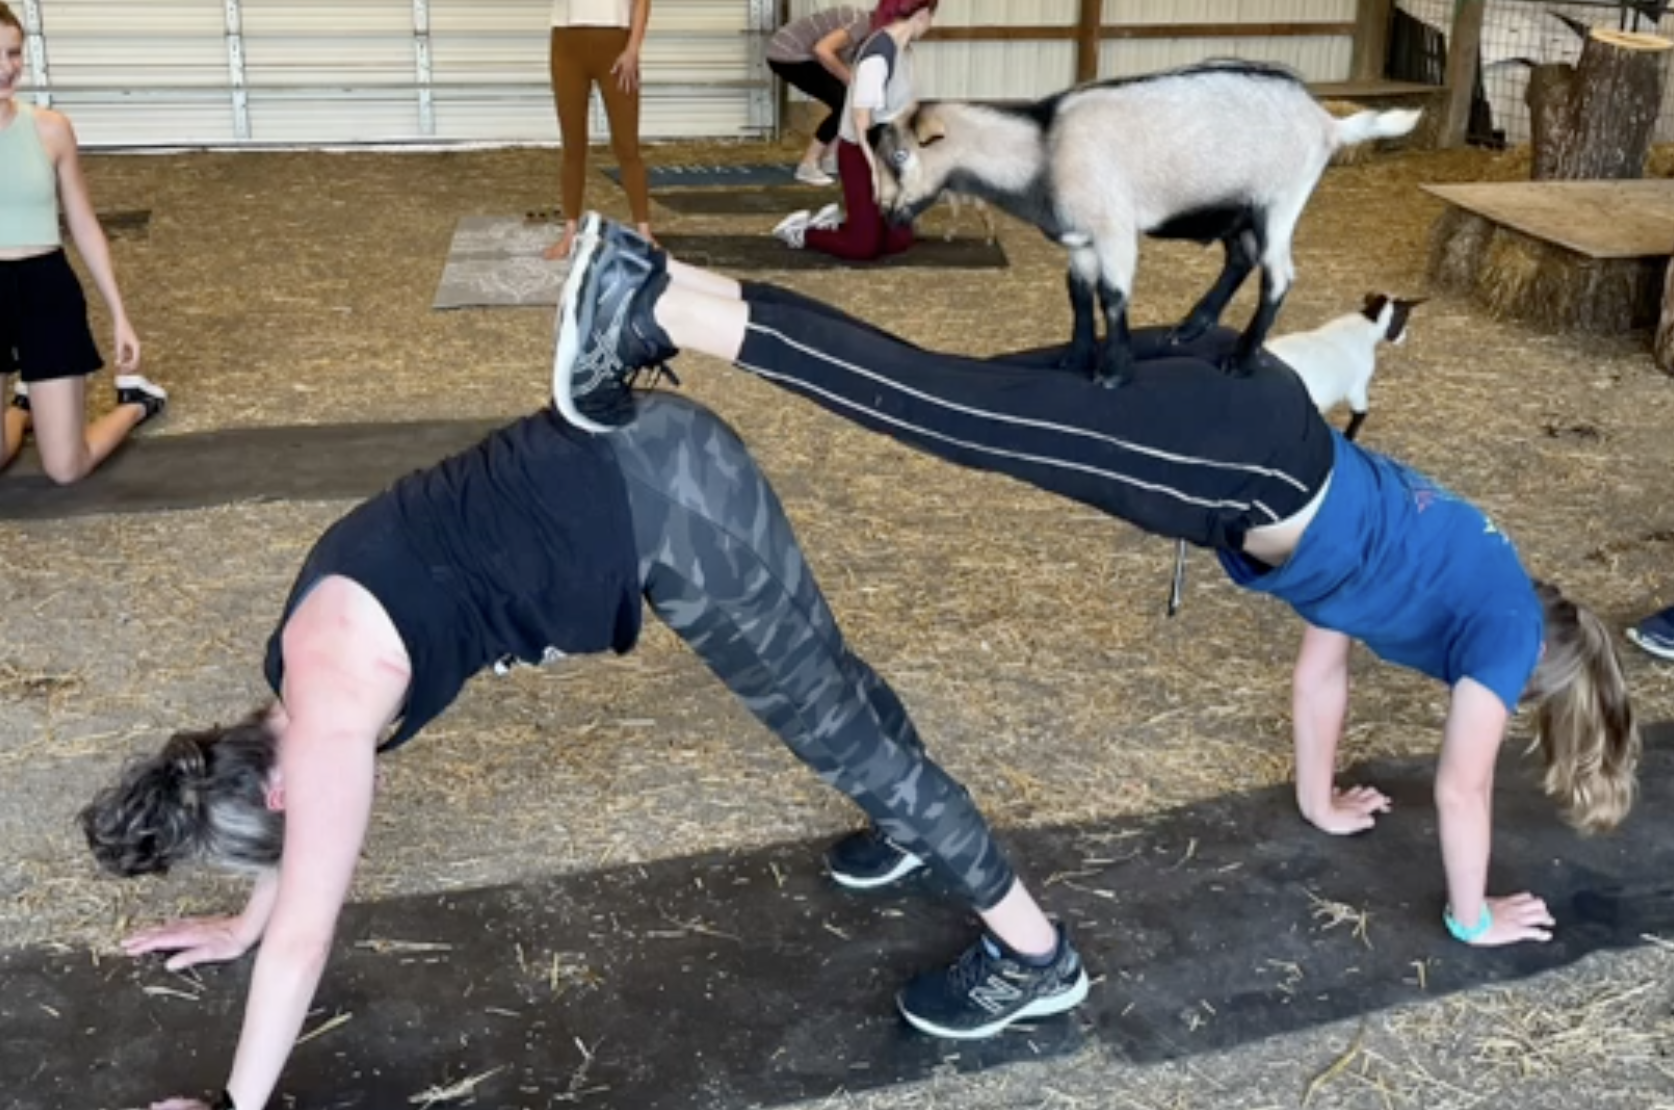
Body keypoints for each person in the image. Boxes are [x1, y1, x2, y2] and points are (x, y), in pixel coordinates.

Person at [555, 212, 1644, 952]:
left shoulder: (1476, 565)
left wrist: (1318, 800)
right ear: (1541, 686)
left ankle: (656, 280)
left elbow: (1325, 672)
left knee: (950, 387)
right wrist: (1470, 917)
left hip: (1248, 404)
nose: (1497, 716)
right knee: (942, 409)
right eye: (1518, 714)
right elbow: (1461, 788)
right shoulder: (1499, 635)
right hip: (1239, 454)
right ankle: (653, 313)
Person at [79, 369, 1091, 1109]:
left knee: (831, 724)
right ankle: (910, 826)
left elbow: (310, 933)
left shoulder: (335, 711)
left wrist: (236, 1107)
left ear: (278, 793)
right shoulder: (293, 677)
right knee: (819, 674)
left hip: (673, 504)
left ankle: (1037, 956)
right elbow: (297, 858)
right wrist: (240, 926)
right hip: (639, 450)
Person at [0, 1, 166, 485]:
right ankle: (25, 406)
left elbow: (84, 224)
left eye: (13, 54)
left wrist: (119, 315)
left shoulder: (50, 129)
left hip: (44, 287)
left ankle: (136, 403)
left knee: (65, 469)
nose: (7, 68)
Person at [771, 0, 936, 258]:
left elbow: (906, 108)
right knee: (863, 248)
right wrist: (875, 172)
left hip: (888, 148)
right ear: (923, 14)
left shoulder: (906, 51)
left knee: (898, 242)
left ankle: (840, 223)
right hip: (861, 150)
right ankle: (802, 231)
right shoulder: (878, 54)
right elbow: (861, 124)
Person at [542, 0, 653, 261]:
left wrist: (633, 49)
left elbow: (642, 2)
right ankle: (569, 232)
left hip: (616, 44)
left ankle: (644, 232)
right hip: (567, 44)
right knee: (573, 146)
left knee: (627, 146)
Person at [766, 4, 873, 186]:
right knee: (843, 103)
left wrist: (852, 83)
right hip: (787, 55)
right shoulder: (861, 24)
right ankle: (808, 165)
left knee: (846, 101)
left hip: (793, 53)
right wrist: (851, 81)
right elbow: (822, 50)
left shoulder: (865, 31)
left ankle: (830, 159)